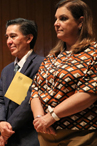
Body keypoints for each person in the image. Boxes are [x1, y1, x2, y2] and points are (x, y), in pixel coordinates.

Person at [30, 0, 97, 145]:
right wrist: (39, 118)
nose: (56, 23)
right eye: (56, 19)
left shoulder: (93, 53)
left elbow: (89, 93)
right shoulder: (52, 56)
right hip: (46, 133)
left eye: (63, 18)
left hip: (79, 134)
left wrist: (52, 117)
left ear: (80, 22)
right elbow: (35, 90)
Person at [0, 18, 44, 146]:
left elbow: (30, 101)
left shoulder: (41, 64)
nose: (9, 41)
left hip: (30, 137)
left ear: (29, 38)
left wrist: (7, 128)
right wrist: (0, 123)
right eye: (7, 37)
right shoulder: (7, 70)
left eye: (13, 36)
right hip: (8, 137)